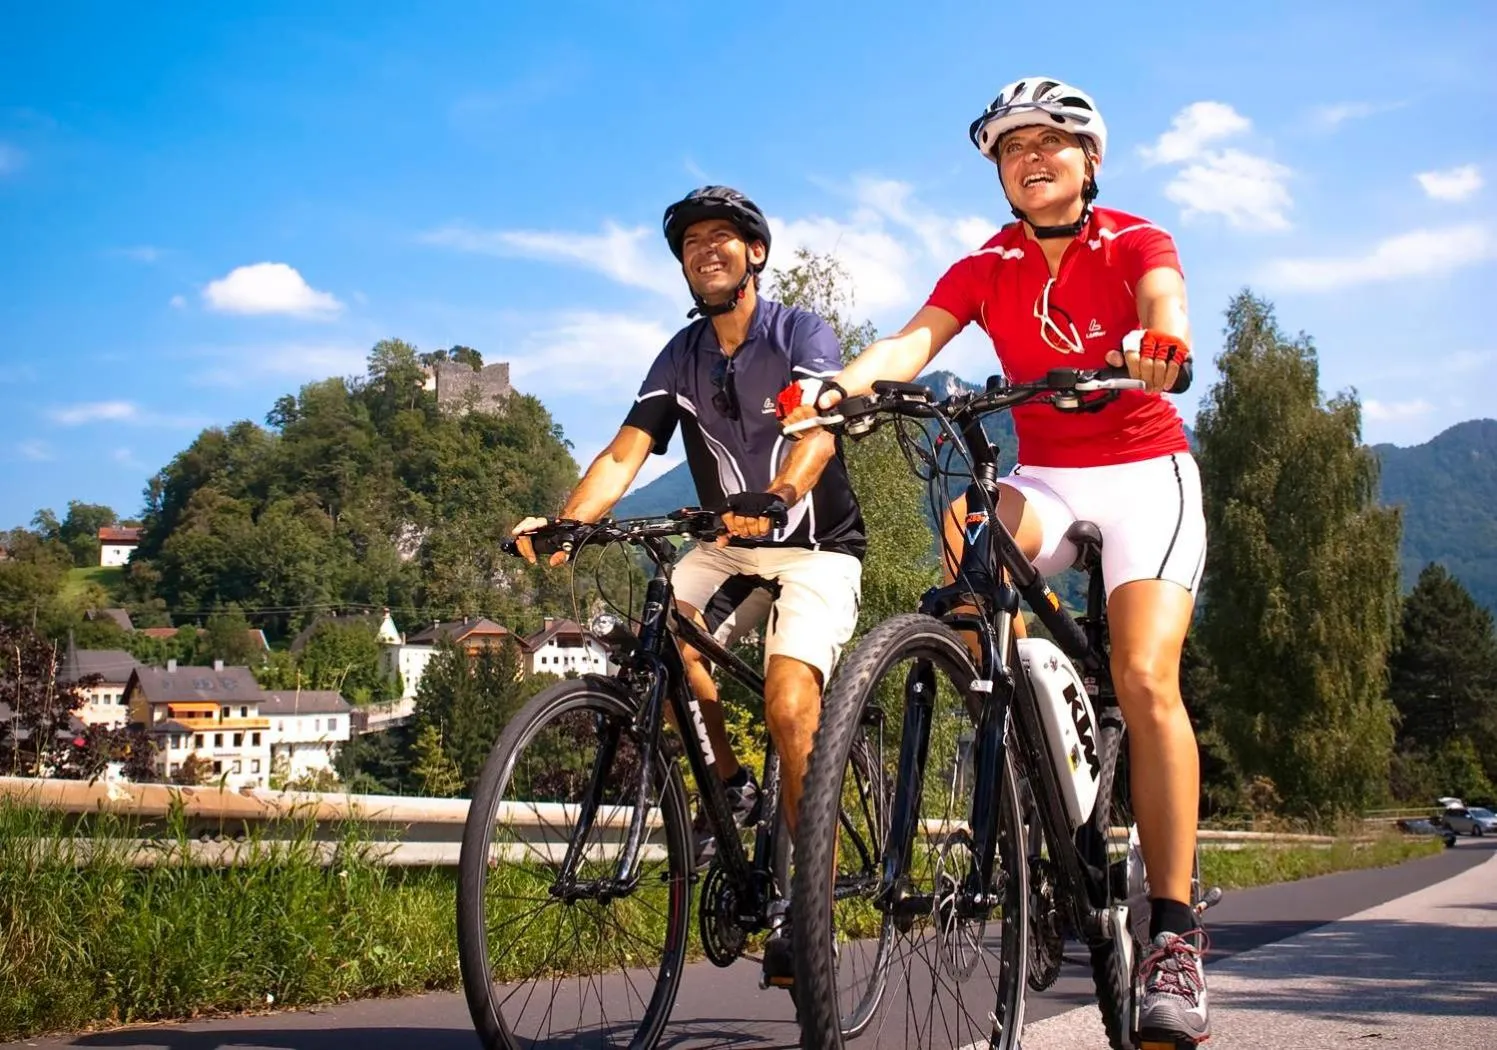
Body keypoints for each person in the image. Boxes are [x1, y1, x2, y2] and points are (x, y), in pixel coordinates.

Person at [776, 78, 1210, 1045]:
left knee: (1144, 675)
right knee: (966, 583)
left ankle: (1175, 935)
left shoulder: (1135, 239)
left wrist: (1159, 339)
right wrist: (836, 388)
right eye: (1011, 148)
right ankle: (1026, 796)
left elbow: (1162, 297)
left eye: (1050, 140)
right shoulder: (987, 264)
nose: (1030, 156)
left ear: (1089, 160)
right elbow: (912, 340)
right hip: (1047, 472)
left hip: (1146, 472)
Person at [511, 185, 866, 990]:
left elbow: (816, 434)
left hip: (813, 548)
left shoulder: (799, 331)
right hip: (724, 547)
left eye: (722, 237)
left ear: (755, 254)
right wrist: (566, 522)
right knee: (655, 641)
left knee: (788, 705)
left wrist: (776, 498)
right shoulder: (680, 356)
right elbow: (623, 453)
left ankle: (808, 913)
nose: (705, 250)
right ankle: (731, 787)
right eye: (690, 242)